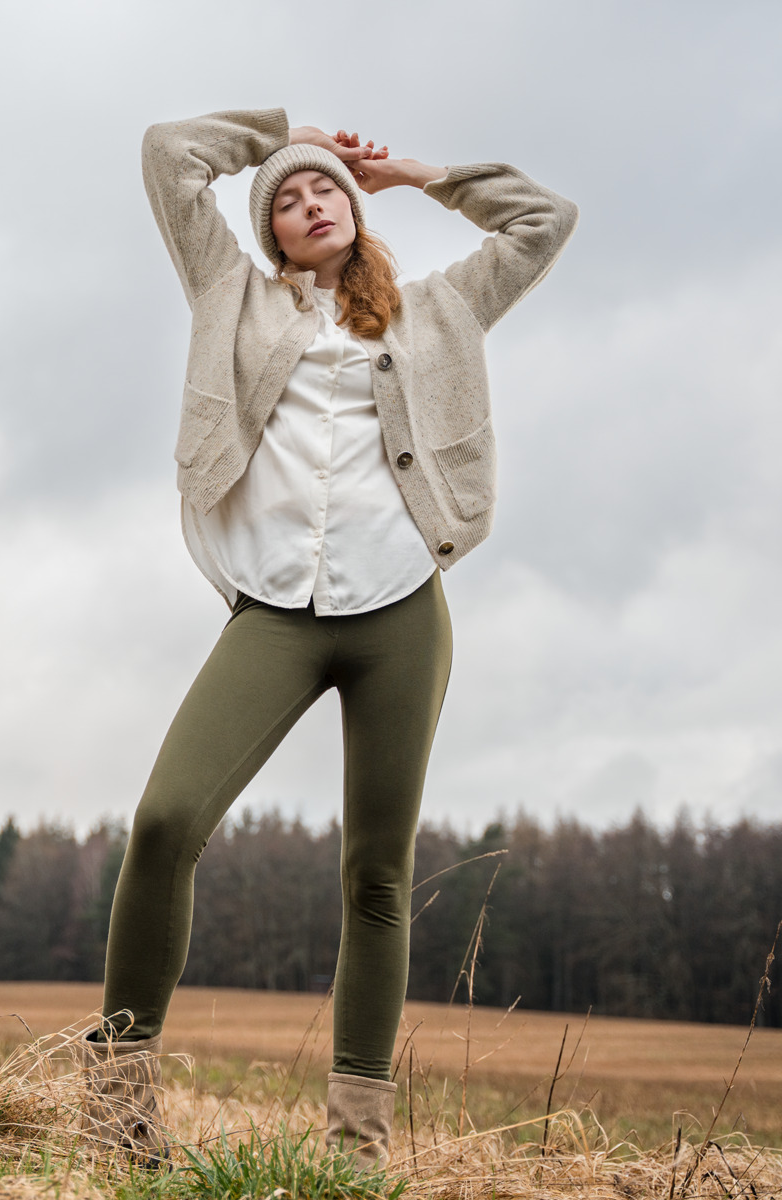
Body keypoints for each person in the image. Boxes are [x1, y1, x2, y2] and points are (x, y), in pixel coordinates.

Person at [78, 108, 578, 1171]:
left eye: (327, 191)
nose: (311, 204)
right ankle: (116, 1114)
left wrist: (414, 172)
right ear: (268, 234)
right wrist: (277, 137)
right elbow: (171, 155)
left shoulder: (441, 311)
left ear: (357, 211)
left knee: (378, 876)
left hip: (400, 610)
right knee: (166, 820)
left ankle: (355, 1150)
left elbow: (544, 220)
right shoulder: (235, 297)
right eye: (289, 201)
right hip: (274, 610)